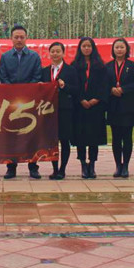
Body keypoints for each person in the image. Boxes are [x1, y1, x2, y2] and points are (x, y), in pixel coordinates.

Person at [0, 25, 43, 179]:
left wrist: (25, 92)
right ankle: (11, 167)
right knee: (11, 135)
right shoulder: (5, 57)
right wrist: (13, 92)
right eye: (16, 37)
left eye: (21, 37)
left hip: (29, 102)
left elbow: (37, 76)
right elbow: (3, 76)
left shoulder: (34, 57)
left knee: (32, 135)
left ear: (26, 38)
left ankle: (33, 167)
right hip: (11, 102)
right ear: (11, 38)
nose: (19, 40)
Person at [71, 37, 108, 179]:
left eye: (89, 46)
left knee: (94, 138)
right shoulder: (74, 65)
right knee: (81, 138)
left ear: (93, 48)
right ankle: (83, 164)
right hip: (80, 107)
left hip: (95, 107)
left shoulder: (100, 66)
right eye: (84, 46)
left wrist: (95, 99)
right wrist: (81, 99)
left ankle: (92, 165)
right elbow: (73, 85)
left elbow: (104, 85)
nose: (86, 48)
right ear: (80, 48)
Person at [42, 42, 79, 180]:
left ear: (63, 53)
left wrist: (64, 86)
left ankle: (62, 169)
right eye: (53, 51)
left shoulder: (71, 70)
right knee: (52, 141)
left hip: (65, 109)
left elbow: (76, 89)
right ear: (49, 53)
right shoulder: (45, 71)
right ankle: (54, 169)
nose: (55, 54)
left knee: (64, 140)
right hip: (49, 110)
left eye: (58, 51)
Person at [105, 38, 134, 178]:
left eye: (122, 47)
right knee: (116, 137)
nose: (119, 50)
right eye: (117, 47)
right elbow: (103, 83)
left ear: (126, 49)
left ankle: (126, 166)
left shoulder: (132, 65)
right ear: (113, 49)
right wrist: (111, 89)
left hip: (128, 105)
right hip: (113, 105)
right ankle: (118, 165)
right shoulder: (108, 66)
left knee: (127, 136)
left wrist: (123, 89)